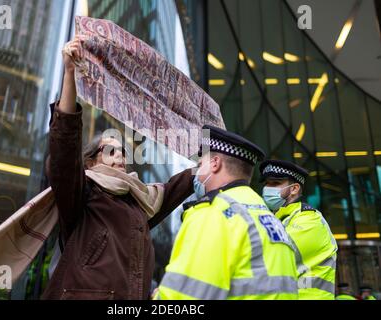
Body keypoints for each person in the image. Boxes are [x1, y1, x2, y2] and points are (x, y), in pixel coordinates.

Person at [41, 36, 194, 300]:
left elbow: (170, 190)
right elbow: (64, 150)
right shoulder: (83, 192)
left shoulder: (139, 202)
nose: (121, 157)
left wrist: (209, 163)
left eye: (123, 152)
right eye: (110, 151)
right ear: (90, 162)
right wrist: (69, 73)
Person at [155, 126, 299, 300]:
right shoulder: (268, 216)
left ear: (215, 163)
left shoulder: (213, 214)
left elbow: (184, 298)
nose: (197, 174)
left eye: (200, 165)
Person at [259, 160, 337, 300]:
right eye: (266, 183)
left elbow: (271, 255)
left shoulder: (309, 220)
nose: (267, 188)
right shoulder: (279, 219)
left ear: (294, 189)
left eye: (275, 183)